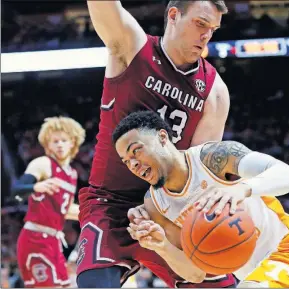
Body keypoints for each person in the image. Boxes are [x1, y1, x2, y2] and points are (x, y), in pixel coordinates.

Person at [77, 0, 236, 288]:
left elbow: (197, 176)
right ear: (173, 15)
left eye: (212, 29)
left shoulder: (214, 92)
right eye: (200, 24)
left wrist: (168, 227)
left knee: (218, 283)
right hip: (110, 203)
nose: (206, 36)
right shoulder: (132, 46)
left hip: (167, 209)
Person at [113, 111, 289, 288]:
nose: (133, 164)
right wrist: (161, 246)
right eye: (126, 161)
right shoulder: (156, 205)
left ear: (162, 138)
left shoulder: (213, 158)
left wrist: (241, 189)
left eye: (137, 151)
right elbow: (196, 274)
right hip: (253, 277)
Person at [12, 117, 85, 288]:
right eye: (54, 141)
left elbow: (64, 209)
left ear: (72, 143)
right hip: (35, 238)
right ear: (47, 144)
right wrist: (36, 186)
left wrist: (95, 214)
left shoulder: (71, 174)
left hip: (53, 241)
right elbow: (17, 189)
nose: (59, 144)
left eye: (63, 140)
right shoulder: (43, 164)